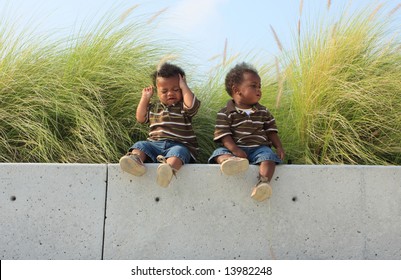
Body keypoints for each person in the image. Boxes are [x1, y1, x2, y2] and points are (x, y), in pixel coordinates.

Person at [208, 62, 285, 202]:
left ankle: (263, 183)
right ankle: (230, 162)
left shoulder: (263, 111)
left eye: (259, 86)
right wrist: (235, 150)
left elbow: (271, 131)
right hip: (235, 147)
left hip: (259, 148)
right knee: (218, 154)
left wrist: (278, 146)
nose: (259, 90)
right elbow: (224, 135)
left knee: (269, 158)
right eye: (253, 86)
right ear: (237, 90)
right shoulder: (225, 112)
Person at [119, 62, 200, 187]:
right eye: (164, 91)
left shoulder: (183, 107)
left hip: (178, 144)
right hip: (154, 145)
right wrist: (145, 98)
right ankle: (135, 161)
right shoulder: (154, 108)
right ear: (157, 92)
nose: (170, 93)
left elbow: (191, 105)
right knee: (141, 145)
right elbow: (140, 118)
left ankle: (168, 169)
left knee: (179, 152)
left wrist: (184, 86)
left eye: (176, 89)